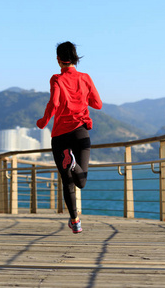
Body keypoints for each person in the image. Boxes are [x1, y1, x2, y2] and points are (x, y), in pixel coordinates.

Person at [36, 41, 103, 234]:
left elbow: (54, 103)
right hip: (80, 133)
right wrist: (84, 98)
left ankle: (75, 221)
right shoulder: (85, 78)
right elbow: (97, 104)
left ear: (58, 60)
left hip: (60, 136)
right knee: (81, 181)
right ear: (75, 58)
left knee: (67, 181)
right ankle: (73, 164)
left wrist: (43, 122)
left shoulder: (56, 79)